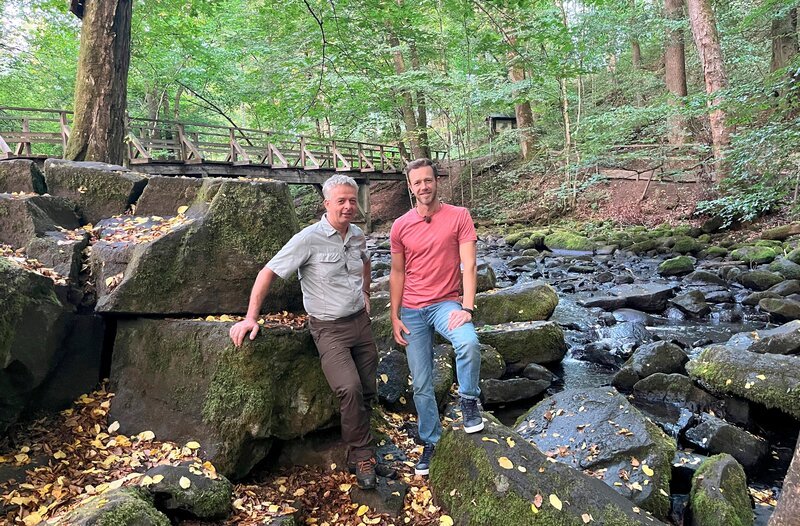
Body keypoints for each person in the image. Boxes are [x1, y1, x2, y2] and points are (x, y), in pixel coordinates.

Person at [229, 174, 391, 490]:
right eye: (341, 200)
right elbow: (268, 272)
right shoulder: (308, 239)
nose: (348, 206)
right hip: (328, 329)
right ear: (326, 203)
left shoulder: (357, 235)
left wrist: (367, 295)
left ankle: (365, 449)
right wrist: (250, 318)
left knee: (368, 390)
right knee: (349, 388)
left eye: (352, 200)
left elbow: (366, 263)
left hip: (360, 323)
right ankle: (361, 458)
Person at [389, 158, 483, 476]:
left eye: (427, 180)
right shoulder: (400, 226)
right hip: (412, 311)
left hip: (446, 303)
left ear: (436, 181)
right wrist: (394, 315)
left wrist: (467, 308)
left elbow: (468, 265)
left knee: (468, 342)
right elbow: (398, 272)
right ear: (410, 187)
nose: (423, 187)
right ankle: (431, 440)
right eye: (417, 183)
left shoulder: (459, 216)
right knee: (422, 383)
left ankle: (469, 400)